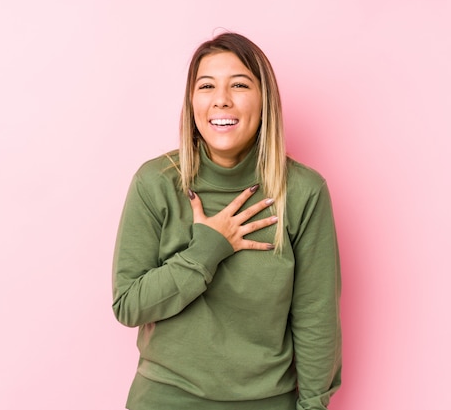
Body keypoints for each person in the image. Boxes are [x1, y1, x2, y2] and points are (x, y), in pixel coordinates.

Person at [112, 32, 342, 410]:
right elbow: (129, 305)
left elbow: (317, 316)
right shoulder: (156, 183)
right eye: (207, 86)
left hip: (265, 400)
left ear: (264, 100)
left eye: (239, 84)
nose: (222, 99)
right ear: (192, 102)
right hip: (165, 399)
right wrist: (206, 249)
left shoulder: (303, 191)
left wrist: (313, 405)